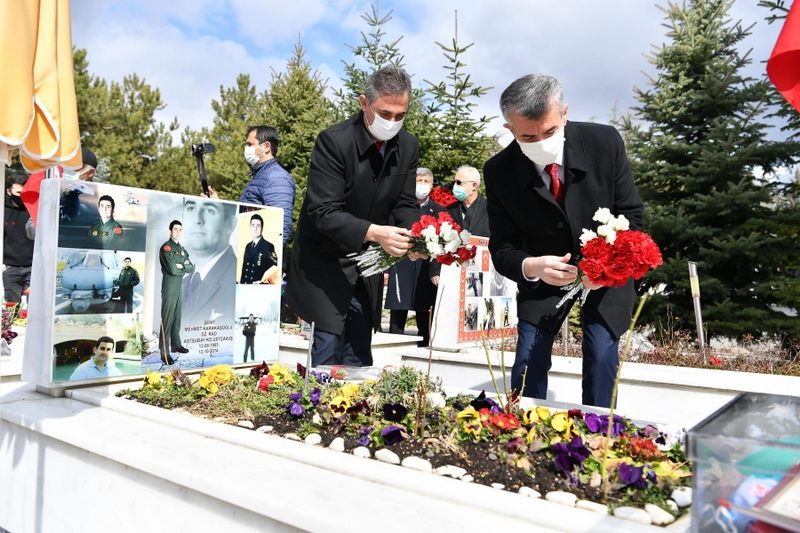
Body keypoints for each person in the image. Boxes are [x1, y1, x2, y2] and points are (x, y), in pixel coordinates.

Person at [484, 74, 644, 408]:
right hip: (544, 277)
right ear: (508, 129)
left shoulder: (603, 143)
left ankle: (599, 431)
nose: (541, 142)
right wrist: (531, 266)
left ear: (565, 114)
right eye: (528, 136)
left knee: (602, 353)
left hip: (606, 274)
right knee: (528, 359)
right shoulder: (499, 171)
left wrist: (605, 266)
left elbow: (634, 217)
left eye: (550, 131)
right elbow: (502, 248)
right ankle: (520, 431)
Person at [286, 65, 420, 367]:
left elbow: (405, 202)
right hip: (324, 262)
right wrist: (375, 232)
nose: (392, 122)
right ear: (364, 102)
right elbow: (323, 212)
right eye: (384, 114)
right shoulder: (334, 142)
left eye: (400, 116)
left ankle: (352, 411)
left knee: (359, 349)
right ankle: (315, 409)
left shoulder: (408, 146)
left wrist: (415, 236)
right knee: (328, 348)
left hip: (367, 264)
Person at [384, 167, 442, 346]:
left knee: (424, 315)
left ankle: (425, 348)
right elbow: (387, 236)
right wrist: (386, 269)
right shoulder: (400, 206)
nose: (422, 185)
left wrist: (436, 270)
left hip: (425, 269)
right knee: (397, 316)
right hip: (399, 263)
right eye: (419, 180)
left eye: (426, 181)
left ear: (432, 185)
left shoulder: (438, 210)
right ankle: (392, 349)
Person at [207, 126, 295, 244]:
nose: (246, 149)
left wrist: (256, 255)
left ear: (266, 147)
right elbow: (245, 217)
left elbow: (280, 229)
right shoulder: (261, 175)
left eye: (250, 144)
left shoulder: (276, 177)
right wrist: (220, 205)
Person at [180, 197, 237, 325]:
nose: (197, 220)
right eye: (191, 208)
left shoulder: (237, 280)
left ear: (230, 225)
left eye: (210, 211)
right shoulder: (183, 284)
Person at [159, 220, 194, 364]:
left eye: (180, 229)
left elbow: (190, 267)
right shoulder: (166, 248)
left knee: (177, 317)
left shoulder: (181, 249)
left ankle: (176, 345)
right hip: (169, 286)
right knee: (167, 319)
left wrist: (182, 266)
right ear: (170, 230)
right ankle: (164, 352)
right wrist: (182, 266)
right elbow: (173, 269)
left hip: (179, 286)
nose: (177, 232)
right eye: (175, 229)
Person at [3, 172, 34, 304]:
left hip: (32, 267)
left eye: (24, 193)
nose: (21, 197)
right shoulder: (2, 211)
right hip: (10, 267)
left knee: (35, 308)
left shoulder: (33, 210)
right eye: (18, 193)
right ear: (8, 191)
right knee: (11, 310)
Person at [448, 165, 490, 237]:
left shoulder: (490, 208)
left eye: (458, 182)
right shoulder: (450, 209)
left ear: (474, 185)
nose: (455, 186)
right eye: (454, 182)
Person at [240, 213, 279, 284]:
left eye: (258, 226)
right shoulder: (248, 246)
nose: (255, 228)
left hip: (258, 289)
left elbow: (273, 270)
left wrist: (262, 283)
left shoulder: (268, 246)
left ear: (262, 228)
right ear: (250, 227)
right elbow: (244, 270)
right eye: (253, 225)